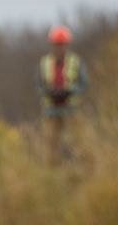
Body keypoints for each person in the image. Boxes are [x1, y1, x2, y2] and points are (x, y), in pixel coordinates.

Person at [36, 25, 87, 163]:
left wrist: (70, 90)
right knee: (49, 144)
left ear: (67, 44)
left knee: (78, 140)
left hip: (71, 108)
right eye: (57, 44)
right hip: (51, 110)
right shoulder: (44, 62)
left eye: (62, 44)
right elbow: (39, 85)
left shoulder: (75, 61)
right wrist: (49, 92)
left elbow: (83, 83)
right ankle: (51, 171)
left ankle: (82, 167)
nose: (59, 47)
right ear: (52, 45)